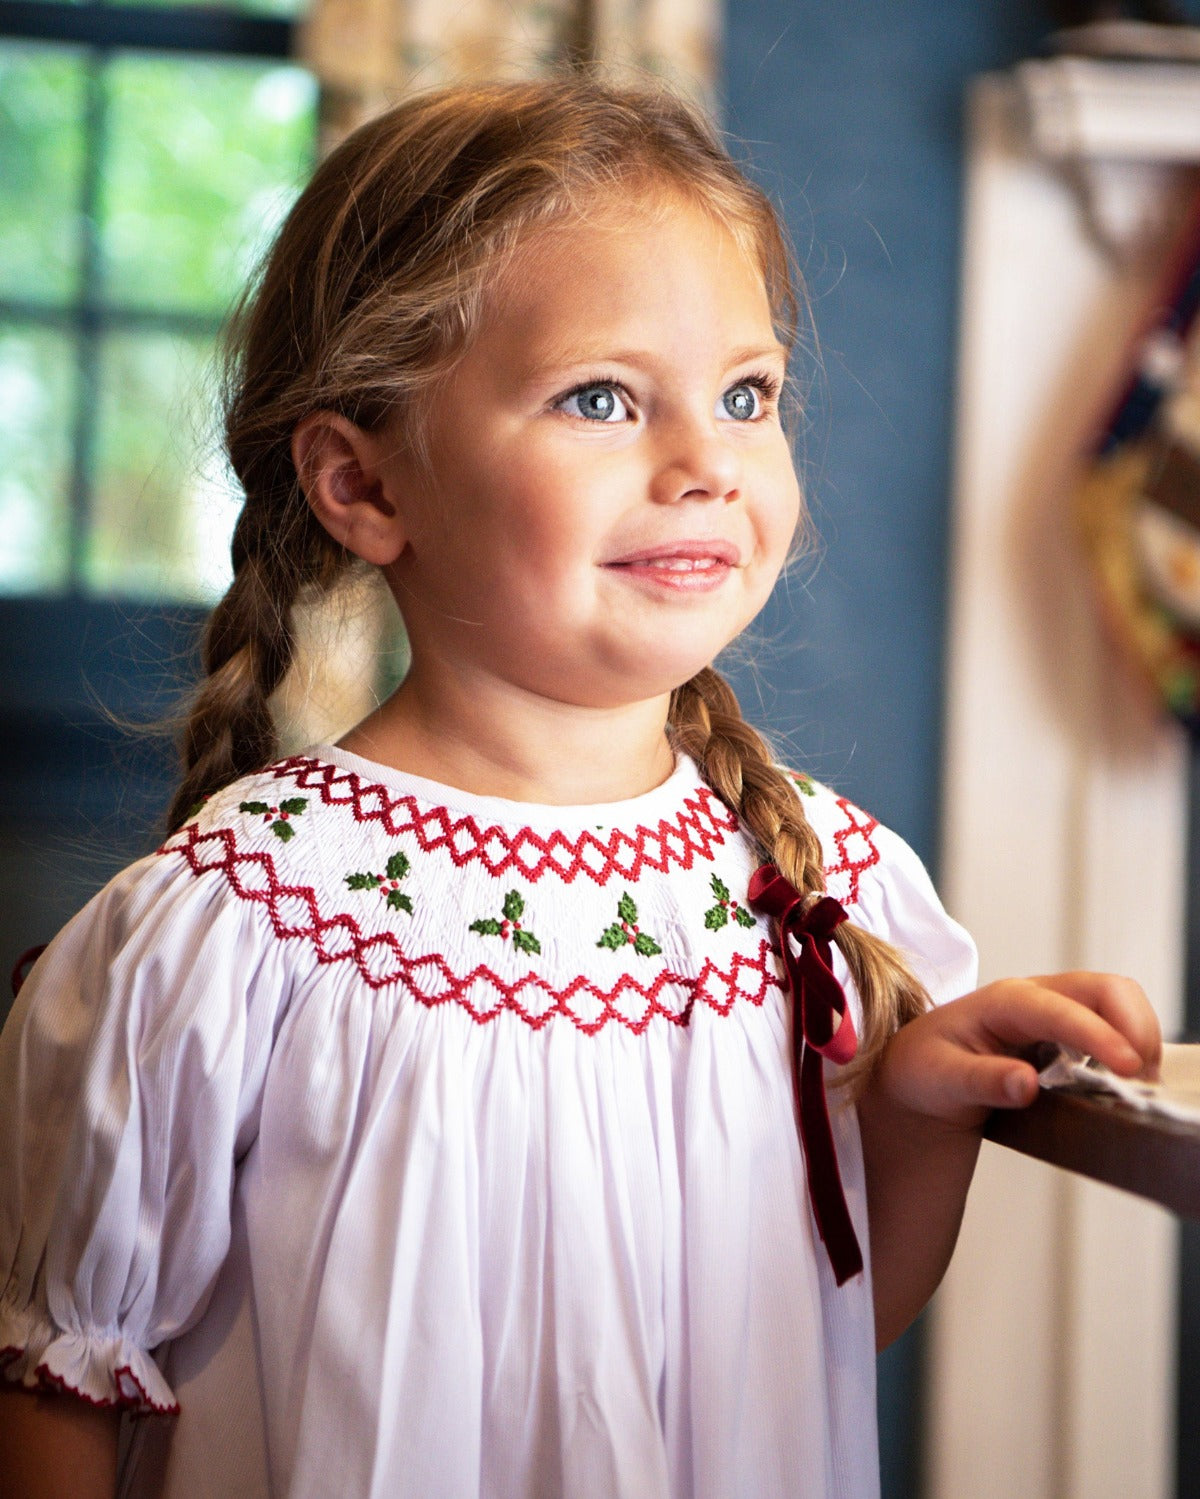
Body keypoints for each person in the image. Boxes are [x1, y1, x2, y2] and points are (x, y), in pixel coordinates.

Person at [0, 78, 1159, 1499]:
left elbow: (811, 1345)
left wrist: (918, 1115)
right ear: (364, 486)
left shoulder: (829, 882)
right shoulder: (241, 924)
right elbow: (62, 1380)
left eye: (747, 394)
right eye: (601, 398)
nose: (705, 464)